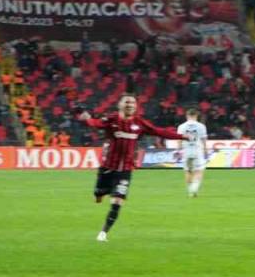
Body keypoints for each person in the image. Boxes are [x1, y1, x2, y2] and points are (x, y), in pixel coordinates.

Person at [76, 94, 185, 242]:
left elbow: (159, 131)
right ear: (120, 104)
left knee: (117, 202)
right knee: (98, 196)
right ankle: (100, 194)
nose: (130, 105)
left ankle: (103, 233)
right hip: (108, 168)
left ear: (136, 106)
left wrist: (182, 137)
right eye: (127, 102)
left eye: (133, 103)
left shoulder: (139, 123)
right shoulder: (111, 119)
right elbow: (95, 123)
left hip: (125, 170)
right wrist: (86, 119)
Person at [178, 108, 209, 197]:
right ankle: (194, 189)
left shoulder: (181, 126)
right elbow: (203, 139)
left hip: (186, 150)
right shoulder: (201, 126)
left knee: (188, 171)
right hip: (197, 150)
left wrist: (178, 150)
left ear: (187, 116)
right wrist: (205, 149)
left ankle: (190, 191)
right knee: (199, 171)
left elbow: (179, 139)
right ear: (196, 116)